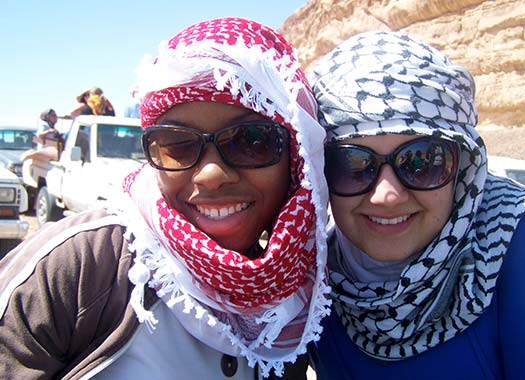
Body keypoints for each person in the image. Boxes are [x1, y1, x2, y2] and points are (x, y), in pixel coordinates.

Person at [0, 17, 330, 379]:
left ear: (296, 159)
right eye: (177, 145)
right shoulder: (82, 267)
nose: (211, 176)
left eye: (251, 141)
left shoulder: (297, 296)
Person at [308, 32, 525, 379]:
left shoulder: (520, 244)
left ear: (461, 165)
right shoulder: (313, 274)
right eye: (352, 164)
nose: (387, 195)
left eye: (422, 161)